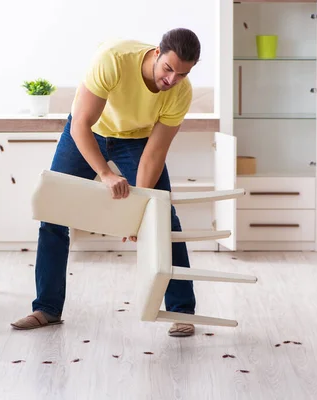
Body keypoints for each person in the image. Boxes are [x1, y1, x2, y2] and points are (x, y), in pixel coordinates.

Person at [11, 28, 200, 337]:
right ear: (156, 53)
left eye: (182, 74)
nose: (171, 80)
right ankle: (46, 308)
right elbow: (81, 125)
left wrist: (138, 213)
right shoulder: (113, 59)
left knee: (164, 215)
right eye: (168, 69)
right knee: (53, 212)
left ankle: (181, 311)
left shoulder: (181, 92)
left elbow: (155, 153)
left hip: (137, 141)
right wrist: (108, 174)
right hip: (89, 132)